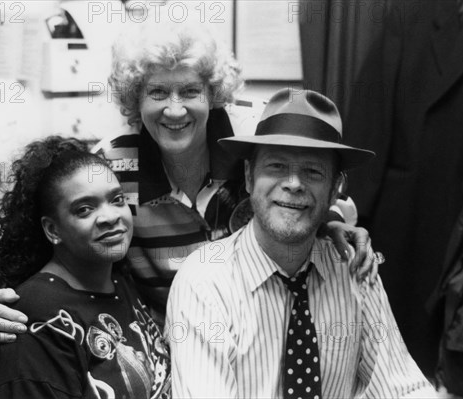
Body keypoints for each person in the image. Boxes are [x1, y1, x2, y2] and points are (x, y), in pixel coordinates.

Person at [0, 23, 379, 354]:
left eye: (190, 91)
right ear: (136, 99)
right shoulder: (112, 165)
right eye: (158, 92)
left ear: (212, 95)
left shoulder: (249, 147)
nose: (175, 109)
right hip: (172, 351)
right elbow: (50, 242)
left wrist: (331, 228)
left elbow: (308, 197)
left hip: (266, 340)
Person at [166, 88, 438, 398]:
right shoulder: (204, 283)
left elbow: (402, 388)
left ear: (336, 188)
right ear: (249, 176)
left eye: (312, 171)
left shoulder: (354, 270)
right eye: (276, 166)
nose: (294, 184)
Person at [0, 136, 170, 398]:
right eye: (84, 209)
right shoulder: (31, 322)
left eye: (117, 199)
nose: (110, 217)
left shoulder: (118, 279)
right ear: (52, 230)